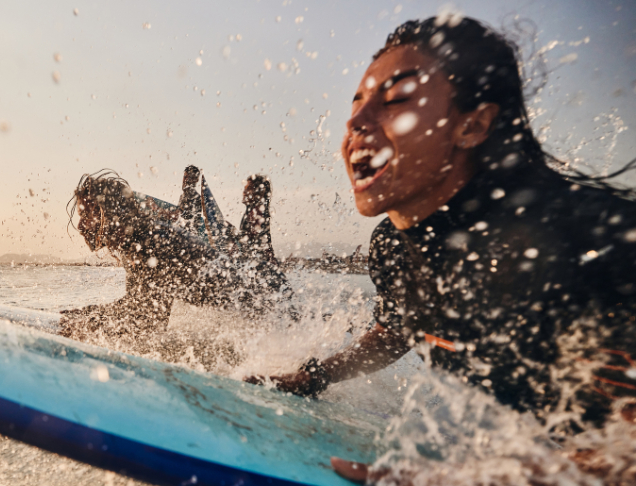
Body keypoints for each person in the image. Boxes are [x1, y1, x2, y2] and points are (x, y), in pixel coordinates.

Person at [247, 16, 636, 460]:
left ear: (471, 127)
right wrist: (316, 376)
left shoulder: (582, 242)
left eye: (396, 100)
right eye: (356, 103)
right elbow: (399, 331)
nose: (356, 121)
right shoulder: (393, 245)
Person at [60, 165, 295, 340]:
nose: (81, 225)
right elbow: (140, 306)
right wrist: (88, 314)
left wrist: (84, 323)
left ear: (110, 214)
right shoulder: (140, 240)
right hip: (264, 286)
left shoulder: (148, 243)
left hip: (266, 289)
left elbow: (147, 322)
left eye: (87, 214)